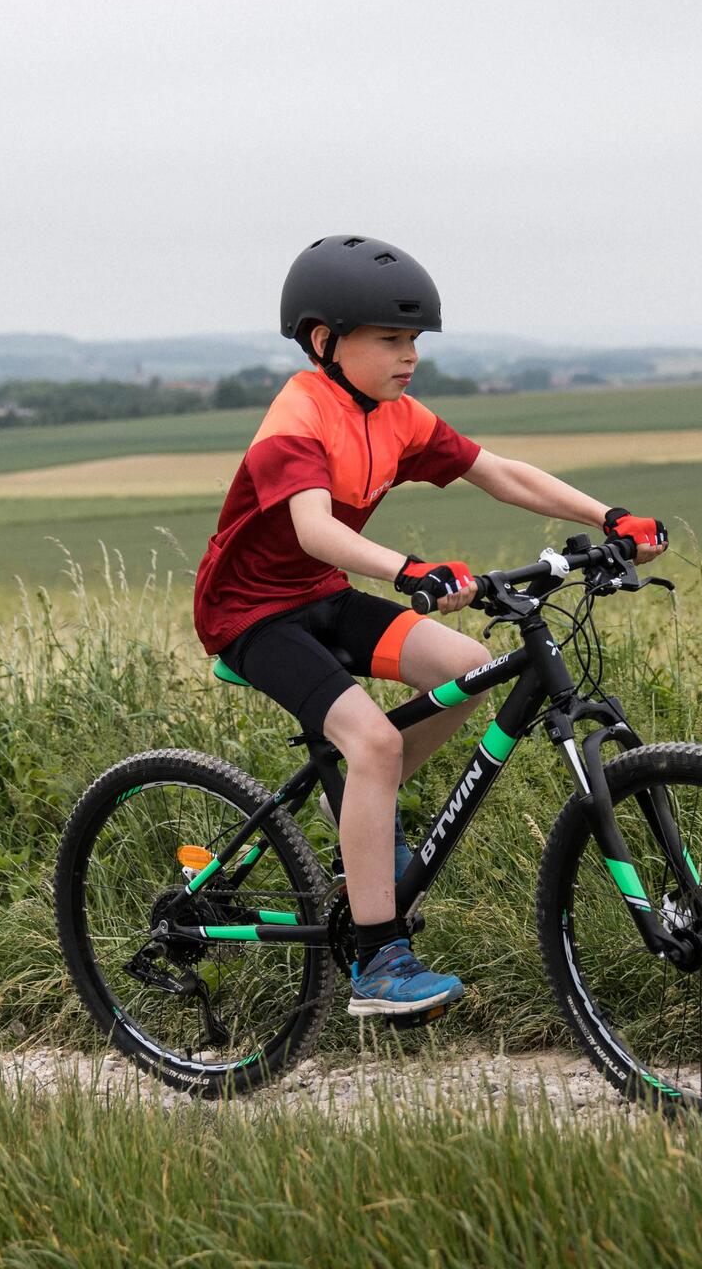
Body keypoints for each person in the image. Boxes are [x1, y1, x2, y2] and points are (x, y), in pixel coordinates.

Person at [193, 234, 668, 1018]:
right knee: (373, 743)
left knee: (464, 665)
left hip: (321, 597)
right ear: (325, 342)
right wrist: (409, 568)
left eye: (414, 339)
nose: (409, 355)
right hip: (250, 613)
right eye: (389, 339)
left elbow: (498, 472)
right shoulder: (298, 417)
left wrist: (608, 514)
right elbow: (313, 527)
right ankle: (378, 964)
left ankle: (356, 819)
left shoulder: (394, 416)